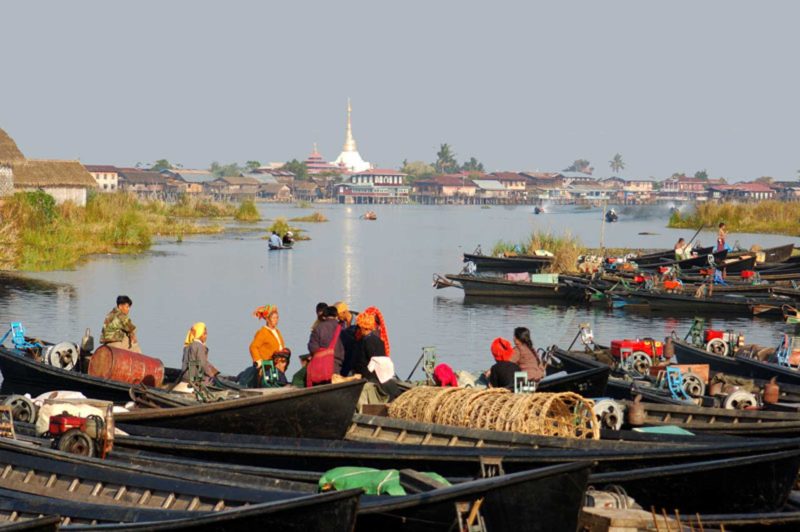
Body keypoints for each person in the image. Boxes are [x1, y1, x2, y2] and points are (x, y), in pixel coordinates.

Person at [352, 309, 401, 399]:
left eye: (359, 327)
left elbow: (367, 362)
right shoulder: (379, 340)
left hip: (370, 378)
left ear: (363, 327)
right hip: (381, 376)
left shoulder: (365, 341)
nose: (358, 329)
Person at [307, 306, 345, 380]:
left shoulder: (318, 328)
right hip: (336, 365)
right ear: (336, 315)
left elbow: (312, 348)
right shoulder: (341, 328)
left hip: (320, 365)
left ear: (324, 316)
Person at [334, 301, 358, 376]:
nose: (337, 317)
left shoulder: (358, 320)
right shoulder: (339, 324)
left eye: (338, 315)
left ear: (344, 312)